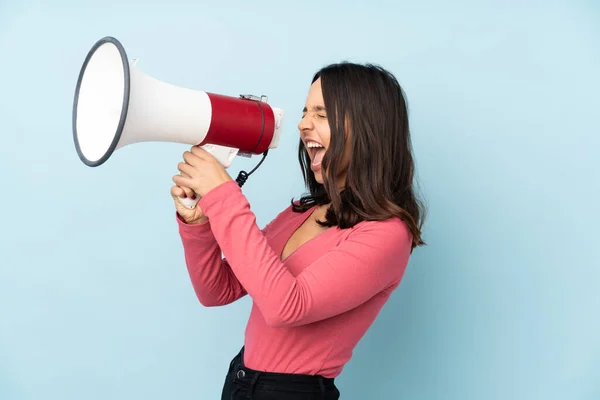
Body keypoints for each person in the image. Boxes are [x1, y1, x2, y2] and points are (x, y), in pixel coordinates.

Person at [170, 62, 426, 400]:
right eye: (306, 112)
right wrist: (199, 224)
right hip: (241, 380)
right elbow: (218, 290)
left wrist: (224, 196)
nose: (303, 124)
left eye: (321, 114)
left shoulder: (387, 234)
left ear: (367, 127)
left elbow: (286, 306)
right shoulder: (302, 211)